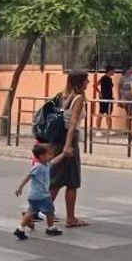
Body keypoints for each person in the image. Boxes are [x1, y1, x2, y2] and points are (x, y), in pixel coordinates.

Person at [47, 71, 90, 229]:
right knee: (72, 180)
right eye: (86, 80)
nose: (88, 83)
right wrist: (68, 144)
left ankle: (34, 211)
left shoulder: (61, 96)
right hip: (68, 139)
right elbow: (72, 123)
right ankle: (70, 218)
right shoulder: (78, 99)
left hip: (56, 139)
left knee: (56, 180)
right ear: (80, 82)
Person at [13, 142, 64, 239]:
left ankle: (20, 229)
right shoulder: (38, 166)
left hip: (33, 195)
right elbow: (28, 176)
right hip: (42, 195)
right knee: (50, 211)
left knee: (31, 211)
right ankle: (50, 228)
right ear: (41, 156)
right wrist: (20, 187)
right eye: (49, 154)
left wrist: (63, 155)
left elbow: (54, 161)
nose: (51, 156)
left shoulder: (46, 164)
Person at [94, 66, 117, 132]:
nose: (114, 72)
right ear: (110, 71)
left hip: (110, 98)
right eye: (113, 71)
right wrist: (100, 92)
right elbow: (95, 85)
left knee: (109, 114)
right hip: (104, 98)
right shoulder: (103, 78)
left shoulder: (110, 79)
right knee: (101, 113)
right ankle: (98, 130)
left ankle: (110, 129)